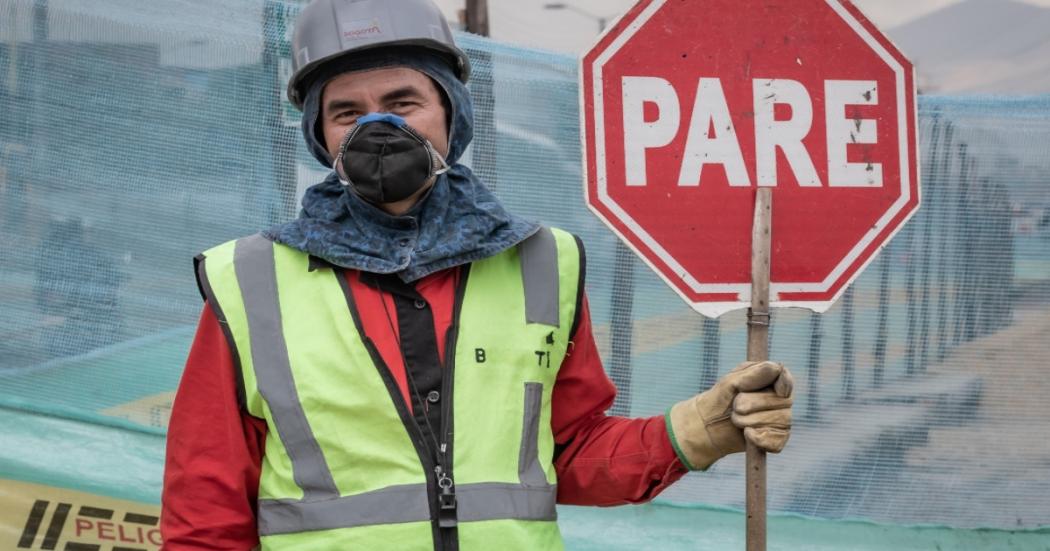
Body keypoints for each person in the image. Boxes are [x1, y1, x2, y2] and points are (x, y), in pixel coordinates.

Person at [160, 0, 794, 548]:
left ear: (452, 111)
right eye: (347, 112)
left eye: (403, 101)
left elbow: (567, 455)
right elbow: (204, 511)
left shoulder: (544, 262)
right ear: (320, 136)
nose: (379, 128)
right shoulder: (250, 282)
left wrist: (692, 433)